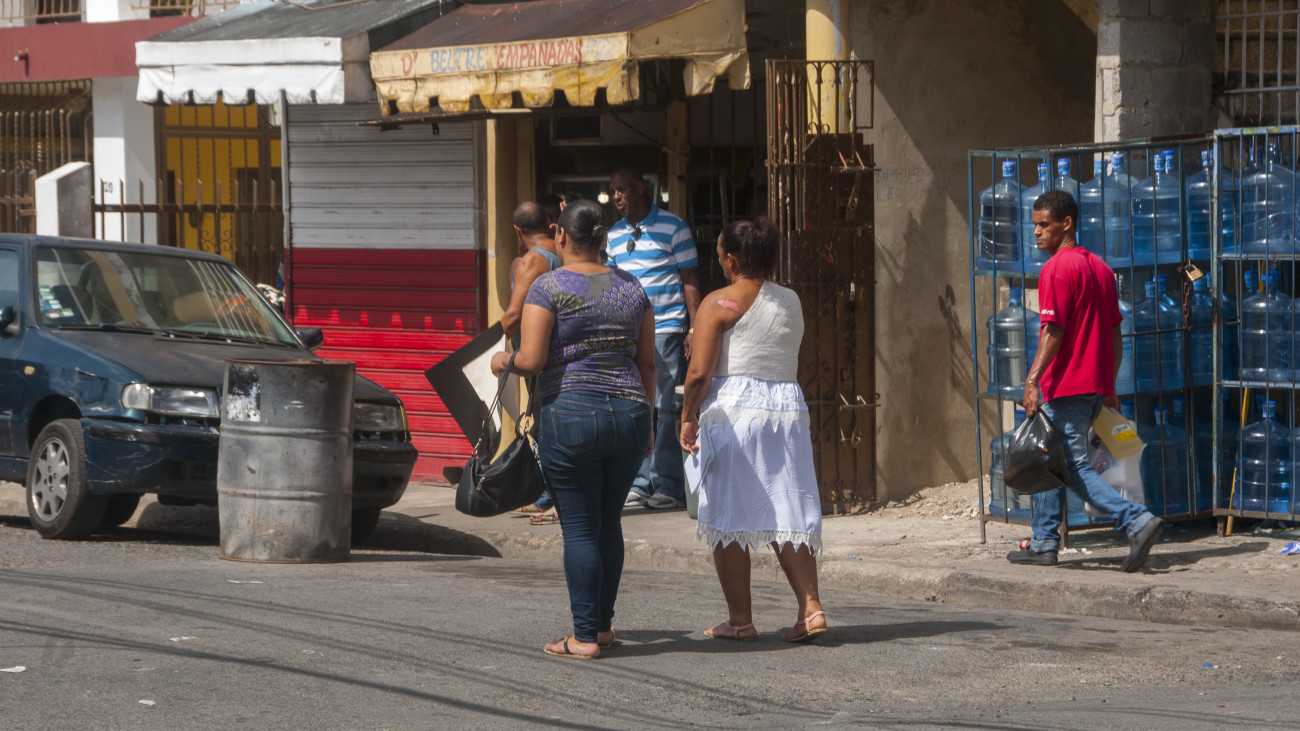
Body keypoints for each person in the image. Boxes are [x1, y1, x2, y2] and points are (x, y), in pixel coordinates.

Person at [491, 199, 655, 660]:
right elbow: (647, 363)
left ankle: (583, 637)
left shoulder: (549, 287)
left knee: (580, 529)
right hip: (631, 413)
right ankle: (600, 627)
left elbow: (531, 360)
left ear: (561, 235)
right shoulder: (633, 287)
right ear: (602, 238)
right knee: (608, 523)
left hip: (572, 415)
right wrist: (650, 419)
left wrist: (501, 360)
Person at [680, 218, 826, 643]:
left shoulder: (718, 302)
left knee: (727, 513)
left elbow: (699, 374)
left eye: (720, 255)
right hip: (786, 412)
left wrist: (687, 416)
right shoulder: (791, 301)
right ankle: (811, 608)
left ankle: (740, 620)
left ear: (731, 259)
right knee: (788, 509)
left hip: (734, 412)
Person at [1010, 189, 1164, 572]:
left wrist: (1032, 380)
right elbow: (1115, 334)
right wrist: (1108, 385)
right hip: (1093, 386)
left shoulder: (1056, 269)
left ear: (1067, 224)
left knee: (1071, 466)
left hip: (1067, 385)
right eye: (1035, 225)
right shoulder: (1100, 268)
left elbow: (1053, 331)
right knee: (1049, 458)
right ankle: (1044, 543)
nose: (1037, 232)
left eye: (1044, 224)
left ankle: (1136, 520)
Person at [605, 168, 701, 510]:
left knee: (666, 408)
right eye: (613, 191)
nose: (617, 196)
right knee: (636, 406)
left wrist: (694, 328)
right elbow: (611, 284)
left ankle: (668, 485)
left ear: (640, 188)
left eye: (622, 189)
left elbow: (690, 278)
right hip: (629, 334)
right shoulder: (614, 235)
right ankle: (641, 481)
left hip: (666, 330)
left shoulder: (674, 227)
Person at [500, 202, 564, 521]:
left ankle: (550, 496)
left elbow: (513, 315)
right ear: (548, 223)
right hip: (561, 353)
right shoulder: (564, 252)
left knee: (545, 427)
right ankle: (549, 494)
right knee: (550, 424)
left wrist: (485, 346)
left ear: (517, 231)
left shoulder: (532, 260)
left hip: (538, 356)